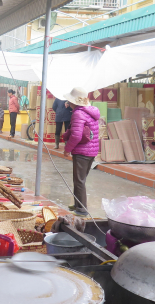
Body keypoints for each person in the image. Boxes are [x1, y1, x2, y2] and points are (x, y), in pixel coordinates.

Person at [62, 87, 100, 216]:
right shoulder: (91, 112)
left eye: (70, 101)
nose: (68, 103)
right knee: (80, 179)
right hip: (91, 151)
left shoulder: (78, 113)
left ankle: (82, 209)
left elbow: (76, 136)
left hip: (82, 151)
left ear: (74, 102)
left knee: (79, 181)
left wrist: (67, 150)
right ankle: (78, 203)